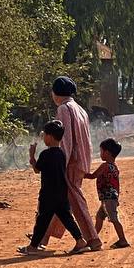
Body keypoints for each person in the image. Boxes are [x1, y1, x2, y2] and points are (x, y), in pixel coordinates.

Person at [45, 75, 101, 251]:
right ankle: (41, 239)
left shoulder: (64, 109)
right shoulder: (79, 109)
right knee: (59, 200)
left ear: (56, 93)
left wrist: (60, 162)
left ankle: (92, 239)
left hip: (71, 162)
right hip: (82, 160)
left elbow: (66, 140)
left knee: (74, 200)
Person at [18, 120, 87, 255]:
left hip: (48, 193)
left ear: (49, 137)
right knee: (66, 218)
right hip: (61, 192)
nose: (44, 138)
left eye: (44, 136)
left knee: (42, 220)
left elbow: (37, 170)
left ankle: (33, 247)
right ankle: (80, 240)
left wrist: (32, 156)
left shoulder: (45, 154)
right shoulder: (61, 153)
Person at [86, 137, 130, 248]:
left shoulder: (105, 166)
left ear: (107, 153)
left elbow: (92, 176)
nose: (100, 153)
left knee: (114, 219)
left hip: (108, 198)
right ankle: (93, 239)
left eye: (101, 151)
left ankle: (123, 240)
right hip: (110, 198)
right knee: (100, 217)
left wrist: (79, 173)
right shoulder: (114, 167)